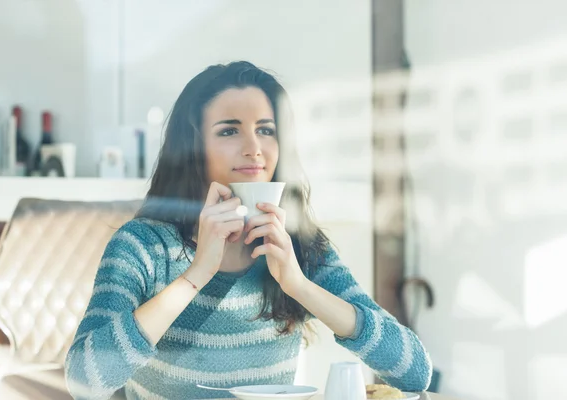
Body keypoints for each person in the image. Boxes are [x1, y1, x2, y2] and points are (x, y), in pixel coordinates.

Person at [65, 61, 432, 400]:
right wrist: (196, 276)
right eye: (229, 131)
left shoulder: (299, 248)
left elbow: (415, 372)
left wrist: (299, 285)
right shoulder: (142, 247)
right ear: (194, 146)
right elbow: (83, 382)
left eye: (266, 131)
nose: (254, 149)